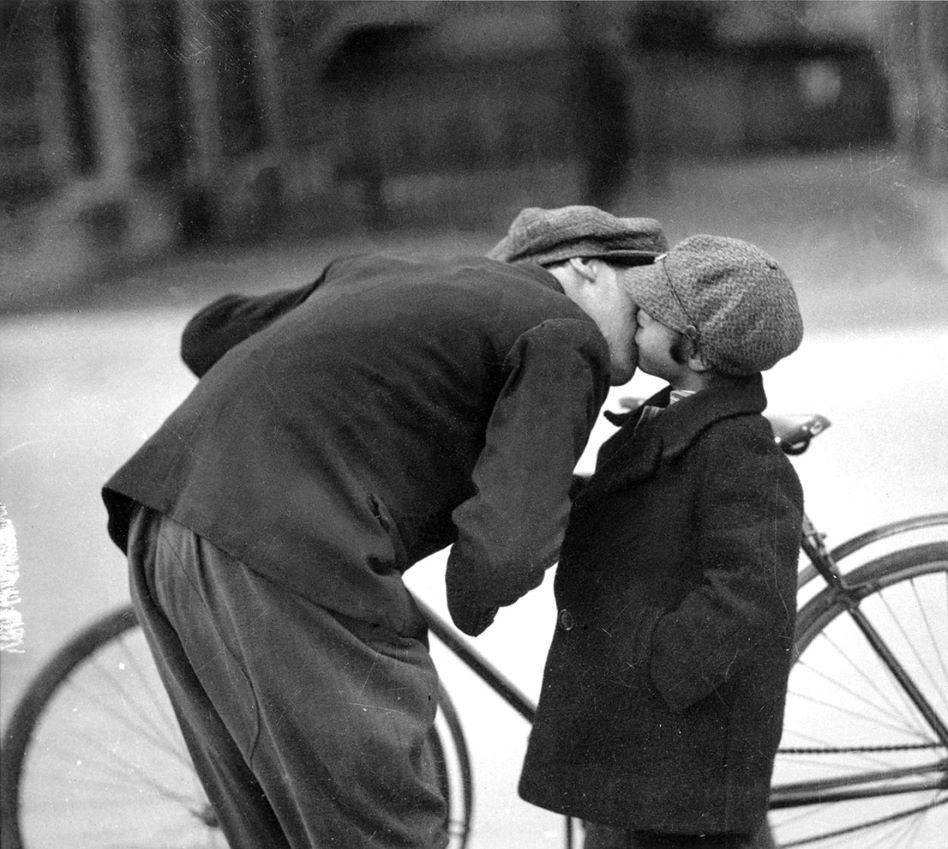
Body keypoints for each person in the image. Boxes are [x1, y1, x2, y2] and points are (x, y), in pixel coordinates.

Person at [100, 205, 668, 849]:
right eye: (643, 287)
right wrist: (475, 598)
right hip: (293, 550)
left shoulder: (385, 276)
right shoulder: (564, 332)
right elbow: (503, 553)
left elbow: (206, 334)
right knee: (383, 833)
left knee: (277, 831)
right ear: (583, 268)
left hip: (163, 518)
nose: (654, 318)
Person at [518, 235, 805, 849]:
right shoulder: (672, 417)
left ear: (696, 351)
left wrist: (657, 661)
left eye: (653, 311)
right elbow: (629, 512)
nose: (637, 311)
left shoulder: (739, 453)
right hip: (643, 746)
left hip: (676, 747)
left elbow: (751, 595)